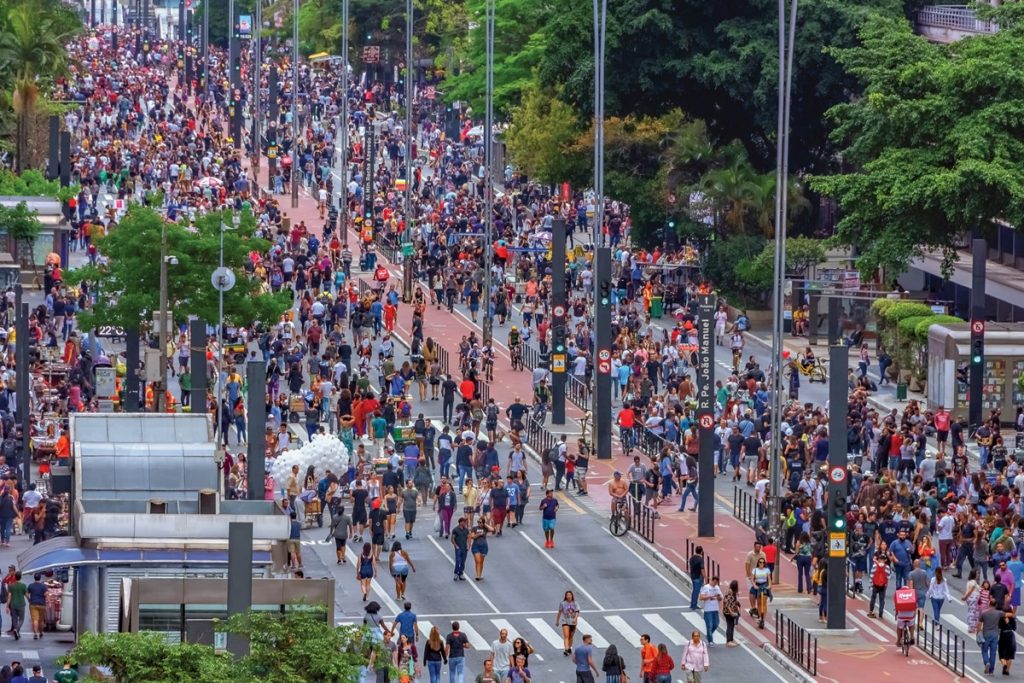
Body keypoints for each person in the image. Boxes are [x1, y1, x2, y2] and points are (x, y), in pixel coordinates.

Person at [698, 576, 723, 644]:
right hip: (708, 610)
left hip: (715, 609)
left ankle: (709, 635)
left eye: (716, 582)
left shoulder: (717, 588)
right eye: (714, 582)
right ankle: (710, 640)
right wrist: (710, 596)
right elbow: (701, 597)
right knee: (709, 625)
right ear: (711, 580)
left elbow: (721, 598)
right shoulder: (706, 587)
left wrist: (718, 597)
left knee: (716, 624)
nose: (715, 584)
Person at [981, 602, 1003, 674]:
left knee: (984, 650)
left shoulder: (983, 613)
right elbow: (1007, 614)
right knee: (993, 653)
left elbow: (979, 624)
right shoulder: (999, 613)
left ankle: (986, 662)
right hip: (995, 635)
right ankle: (991, 670)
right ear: (996, 605)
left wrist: (978, 633)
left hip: (986, 634)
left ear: (989, 604)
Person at [893, 584, 918, 649]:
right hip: (910, 615)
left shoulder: (897, 594)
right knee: (911, 625)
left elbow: (896, 606)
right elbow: (915, 605)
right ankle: (912, 636)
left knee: (899, 627)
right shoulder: (912, 593)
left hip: (901, 615)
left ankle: (898, 641)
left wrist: (896, 613)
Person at [557, 590, 580, 656]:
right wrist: (557, 621)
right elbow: (559, 612)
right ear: (565, 596)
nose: (569, 596)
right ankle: (566, 649)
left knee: (571, 636)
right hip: (565, 621)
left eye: (570, 595)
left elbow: (577, 612)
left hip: (573, 622)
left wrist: (575, 618)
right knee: (566, 636)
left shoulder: (575, 603)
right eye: (567, 595)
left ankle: (569, 647)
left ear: (572, 596)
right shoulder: (562, 603)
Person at [26, 574, 47, 640]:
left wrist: (29, 599)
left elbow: (27, 593)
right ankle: (41, 632)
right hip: (42, 604)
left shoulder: (30, 586)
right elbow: (46, 594)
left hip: (33, 604)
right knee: (41, 620)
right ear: (40, 578)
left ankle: (35, 634)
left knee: (35, 620)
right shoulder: (44, 586)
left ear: (34, 578)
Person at [6, 571, 25, 640]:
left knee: (14, 618)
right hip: (21, 604)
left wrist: (7, 606)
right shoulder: (23, 585)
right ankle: (17, 629)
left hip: (13, 604)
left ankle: (16, 630)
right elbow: (26, 595)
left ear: (15, 577)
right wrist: (30, 600)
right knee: (21, 619)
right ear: (20, 577)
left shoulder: (11, 586)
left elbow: (9, 597)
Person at [999, 607, 1017, 676]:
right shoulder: (1012, 618)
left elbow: (999, 626)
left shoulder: (1001, 618)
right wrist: (1009, 623)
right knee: (1010, 654)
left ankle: (1004, 664)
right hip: (1010, 635)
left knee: (1001, 652)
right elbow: (1014, 628)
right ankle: (1007, 670)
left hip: (1003, 635)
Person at [722, 580, 741, 647]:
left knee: (732, 625)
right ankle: (728, 641)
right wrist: (731, 612)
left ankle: (731, 639)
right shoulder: (730, 593)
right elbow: (727, 604)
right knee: (730, 626)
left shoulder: (732, 592)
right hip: (728, 612)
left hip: (730, 611)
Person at [451, 517, 470, 581]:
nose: (465, 523)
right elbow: (452, 539)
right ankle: (456, 573)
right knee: (458, 561)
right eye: (464, 522)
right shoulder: (455, 530)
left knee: (463, 562)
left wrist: (468, 545)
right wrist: (456, 546)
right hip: (458, 548)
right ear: (461, 522)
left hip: (464, 548)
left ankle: (461, 573)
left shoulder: (466, 530)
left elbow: (469, 537)